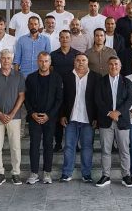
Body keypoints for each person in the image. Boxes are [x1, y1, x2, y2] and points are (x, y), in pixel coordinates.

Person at [0, 49, 25, 186]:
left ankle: (16, 173)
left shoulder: (19, 76)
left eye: (9, 58)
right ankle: (0, 174)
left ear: (12, 60)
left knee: (15, 147)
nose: (6, 61)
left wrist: (12, 113)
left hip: (15, 117)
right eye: (4, 58)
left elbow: (21, 96)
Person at [60, 53, 100, 182]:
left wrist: (96, 118)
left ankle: (86, 174)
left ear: (88, 62)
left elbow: (98, 100)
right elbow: (61, 98)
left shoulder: (96, 77)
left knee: (87, 147)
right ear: (74, 62)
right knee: (69, 147)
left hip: (88, 119)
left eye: (83, 60)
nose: (80, 62)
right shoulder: (66, 77)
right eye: (78, 60)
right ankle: (66, 173)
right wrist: (62, 115)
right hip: (71, 118)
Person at [95, 56, 132, 187]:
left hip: (122, 120)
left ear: (120, 66)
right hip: (105, 121)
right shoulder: (101, 81)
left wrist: (118, 112)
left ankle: (126, 176)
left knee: (124, 150)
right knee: (106, 150)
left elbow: (129, 99)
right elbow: (98, 100)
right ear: (108, 66)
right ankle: (106, 176)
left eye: (116, 64)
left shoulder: (127, 82)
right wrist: (109, 113)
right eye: (111, 64)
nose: (113, 67)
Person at [24, 52, 63, 185]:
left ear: (50, 62)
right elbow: (26, 99)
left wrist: (49, 115)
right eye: (41, 61)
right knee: (34, 145)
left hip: (50, 118)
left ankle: (47, 172)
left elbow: (59, 99)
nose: (43, 63)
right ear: (37, 62)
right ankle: (34, 172)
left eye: (46, 61)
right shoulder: (30, 78)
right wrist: (32, 113)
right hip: (34, 117)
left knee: (48, 145)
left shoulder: (57, 78)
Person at [50, 30, 80, 152]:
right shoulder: (53, 54)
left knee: (73, 116)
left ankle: (75, 143)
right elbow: (50, 71)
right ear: (59, 39)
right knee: (58, 117)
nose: (65, 39)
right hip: (57, 89)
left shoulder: (77, 54)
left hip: (73, 90)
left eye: (67, 37)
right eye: (62, 37)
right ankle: (58, 143)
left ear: (70, 39)